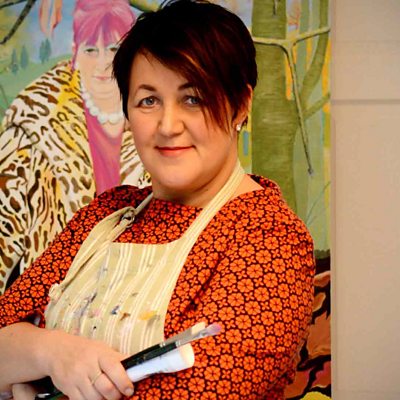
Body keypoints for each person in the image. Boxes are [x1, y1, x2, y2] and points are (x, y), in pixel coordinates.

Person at [0, 1, 315, 399]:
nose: (168, 125)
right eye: (148, 101)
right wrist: (52, 352)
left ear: (241, 105)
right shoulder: (105, 215)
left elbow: (204, 392)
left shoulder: (269, 238)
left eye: (193, 98)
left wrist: (29, 376)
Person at [0, 0, 148, 293]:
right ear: (75, 52)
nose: (103, 62)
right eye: (91, 50)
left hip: (134, 295)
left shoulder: (155, 124)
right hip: (53, 298)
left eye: (114, 49)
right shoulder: (34, 127)